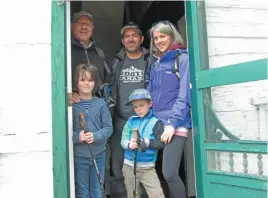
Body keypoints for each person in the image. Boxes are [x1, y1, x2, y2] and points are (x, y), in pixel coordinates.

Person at [146, 21, 192, 198]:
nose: (159, 41)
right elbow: (151, 95)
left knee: (170, 173)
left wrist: (172, 124)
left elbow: (184, 95)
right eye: (156, 38)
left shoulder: (182, 59)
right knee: (150, 170)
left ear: (172, 36)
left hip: (175, 123)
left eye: (163, 36)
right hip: (156, 123)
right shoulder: (155, 63)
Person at [110, 22, 150, 197]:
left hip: (145, 122)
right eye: (127, 36)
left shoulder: (150, 60)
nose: (131, 39)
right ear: (122, 41)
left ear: (141, 39)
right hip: (120, 122)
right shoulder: (116, 61)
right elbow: (107, 86)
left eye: (134, 35)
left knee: (145, 165)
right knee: (119, 166)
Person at [72, 63, 113, 198]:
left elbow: (108, 128)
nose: (86, 84)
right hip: (80, 156)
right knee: (82, 192)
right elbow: (65, 133)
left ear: (95, 83)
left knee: (98, 191)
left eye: (90, 80)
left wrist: (95, 136)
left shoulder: (100, 103)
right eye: (82, 80)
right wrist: (78, 137)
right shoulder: (71, 105)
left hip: (99, 155)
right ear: (76, 82)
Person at [121, 88, 165, 198]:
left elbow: (161, 143)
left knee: (157, 195)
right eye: (135, 106)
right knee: (133, 195)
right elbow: (123, 139)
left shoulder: (156, 122)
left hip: (148, 168)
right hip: (129, 167)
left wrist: (146, 142)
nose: (138, 109)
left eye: (141, 105)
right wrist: (128, 144)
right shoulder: (130, 121)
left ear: (149, 104)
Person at [71, 11, 112, 95]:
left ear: (92, 28)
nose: (84, 27)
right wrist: (69, 94)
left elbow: (110, 80)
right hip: (74, 105)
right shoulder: (66, 51)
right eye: (80, 23)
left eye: (88, 24)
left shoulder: (100, 53)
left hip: (96, 104)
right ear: (72, 27)